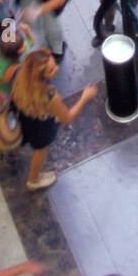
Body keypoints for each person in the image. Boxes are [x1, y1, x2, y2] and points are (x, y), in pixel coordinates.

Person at [11, 50, 97, 191]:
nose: (56, 69)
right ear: (41, 76)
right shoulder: (49, 96)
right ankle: (33, 179)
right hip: (41, 128)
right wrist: (84, 97)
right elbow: (67, 118)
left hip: (25, 118)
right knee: (41, 150)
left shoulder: (20, 74)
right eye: (51, 70)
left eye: (54, 64)